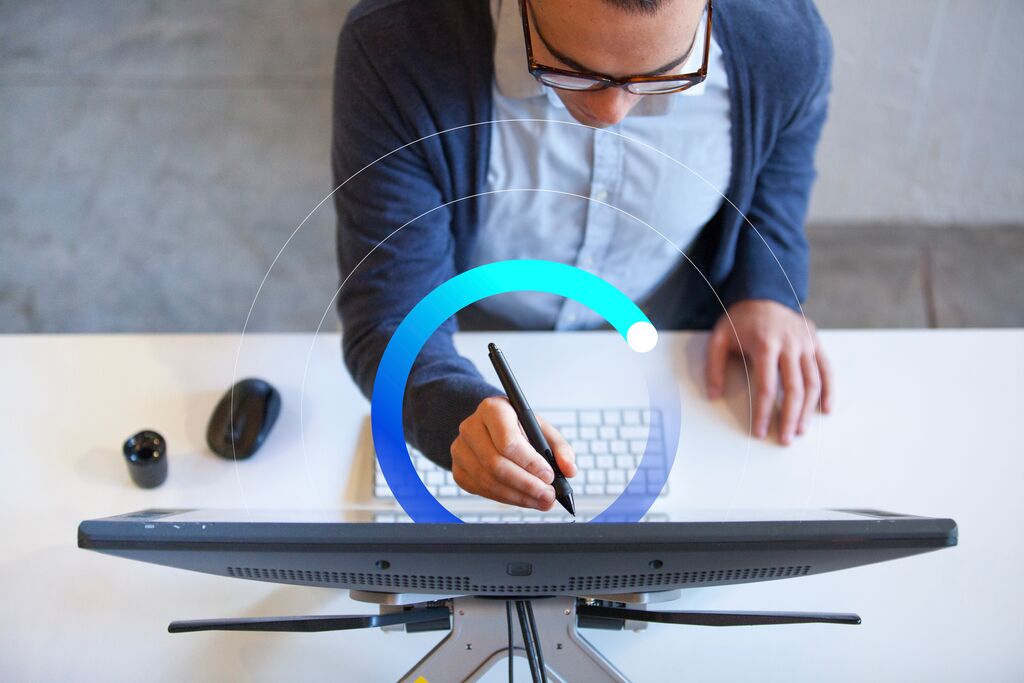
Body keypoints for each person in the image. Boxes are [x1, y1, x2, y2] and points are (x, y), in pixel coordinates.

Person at [333, 0, 834, 512]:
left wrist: (766, 286)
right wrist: (453, 410)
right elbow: (389, 312)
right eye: (568, 71)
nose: (608, 113)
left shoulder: (785, 41)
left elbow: (779, 175)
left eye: (662, 77)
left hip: (671, 324)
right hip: (475, 326)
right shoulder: (393, 45)